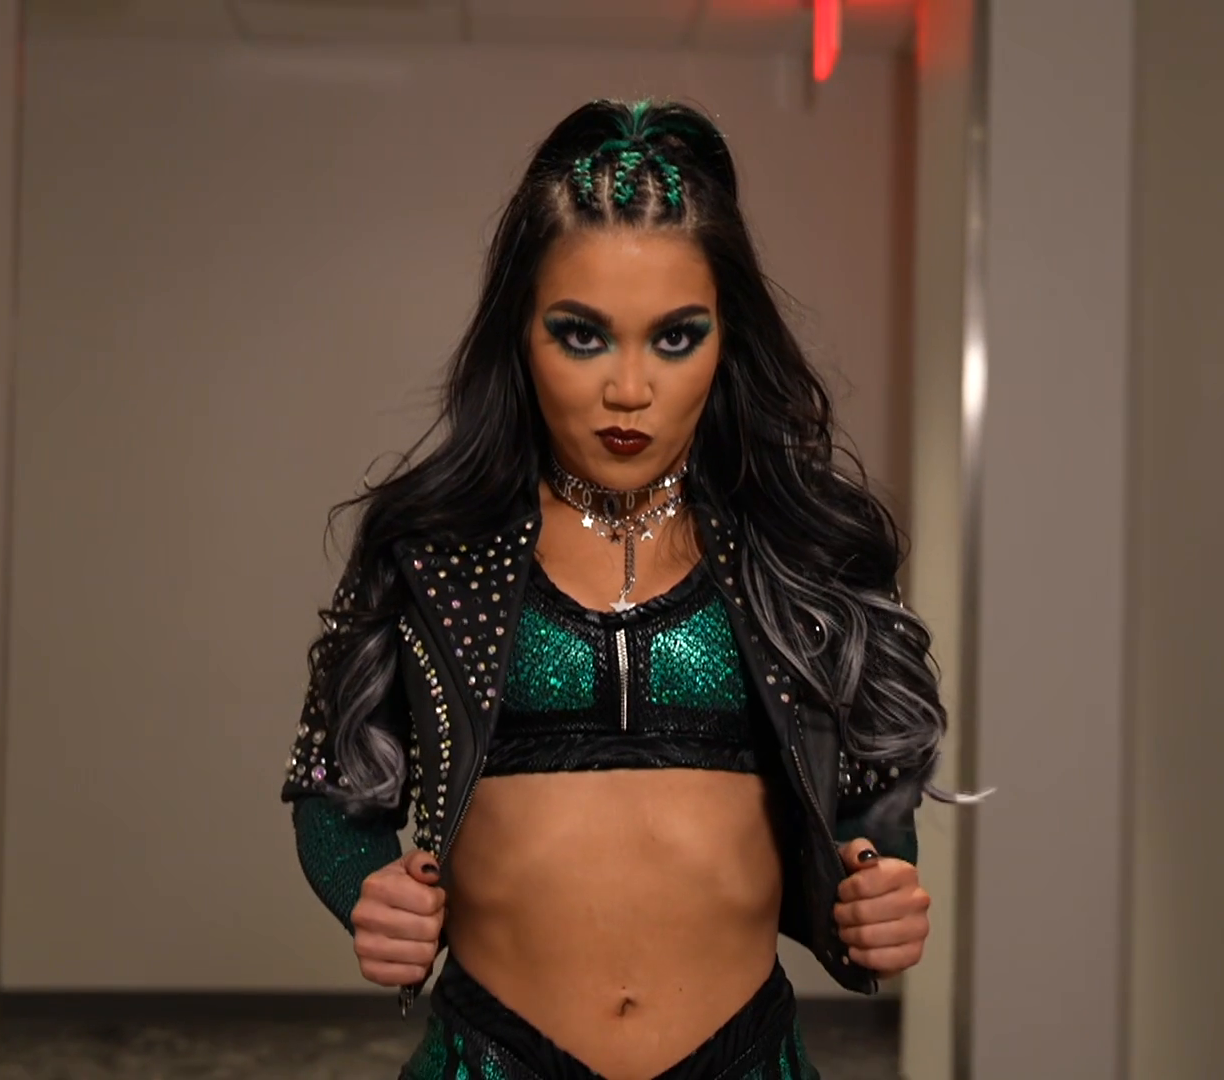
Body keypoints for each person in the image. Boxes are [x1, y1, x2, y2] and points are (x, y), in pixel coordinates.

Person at [281, 99, 952, 1080]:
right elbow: (331, 784)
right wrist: (369, 891)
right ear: (521, 335)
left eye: (675, 338)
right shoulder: (430, 549)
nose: (628, 389)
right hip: (489, 1060)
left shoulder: (801, 554)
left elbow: (868, 797)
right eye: (582, 336)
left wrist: (880, 887)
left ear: (727, 342)